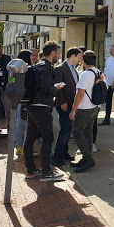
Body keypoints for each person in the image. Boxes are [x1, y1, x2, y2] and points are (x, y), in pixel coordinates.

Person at [23, 41, 65, 182]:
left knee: (29, 139)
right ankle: (46, 172)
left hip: (31, 106)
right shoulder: (47, 68)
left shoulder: (37, 66)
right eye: (58, 53)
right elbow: (45, 87)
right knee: (48, 138)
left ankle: (31, 169)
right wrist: (56, 88)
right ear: (52, 53)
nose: (59, 56)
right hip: (42, 106)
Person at [69, 51, 104, 173]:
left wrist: (73, 110)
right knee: (88, 132)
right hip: (94, 107)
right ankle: (86, 157)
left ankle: (88, 159)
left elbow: (80, 94)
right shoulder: (98, 72)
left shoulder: (85, 74)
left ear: (83, 61)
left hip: (84, 108)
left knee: (77, 132)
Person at [52, 47, 83, 166]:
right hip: (64, 104)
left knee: (68, 129)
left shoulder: (73, 69)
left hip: (71, 103)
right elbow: (57, 86)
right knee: (65, 129)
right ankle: (56, 155)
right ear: (73, 56)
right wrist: (62, 101)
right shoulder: (60, 68)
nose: (80, 60)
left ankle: (63, 152)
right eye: (79, 57)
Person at [15, 49, 32, 155]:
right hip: (28, 100)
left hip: (17, 99)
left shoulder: (14, 68)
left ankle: (19, 147)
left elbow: (10, 81)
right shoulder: (29, 70)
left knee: (19, 124)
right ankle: (25, 149)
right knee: (28, 124)